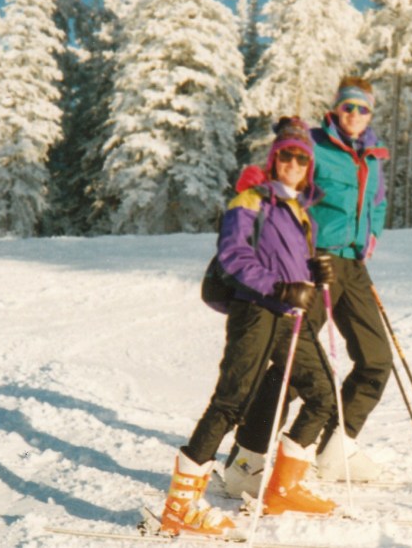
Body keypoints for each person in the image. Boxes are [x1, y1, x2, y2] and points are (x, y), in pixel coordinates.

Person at [160, 117, 339, 539]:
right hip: (256, 311)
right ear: (274, 159)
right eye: (286, 156)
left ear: (309, 167)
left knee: (323, 393)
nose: (293, 163)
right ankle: (180, 505)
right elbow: (233, 255)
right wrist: (279, 286)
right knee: (231, 402)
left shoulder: (300, 212)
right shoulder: (251, 201)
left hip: (289, 317)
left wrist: (314, 271)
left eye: (301, 158)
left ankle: (283, 488)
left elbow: (291, 264)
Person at [223, 76, 392, 497]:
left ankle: (337, 447)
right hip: (314, 263)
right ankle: (248, 457)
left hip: (353, 266)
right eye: (348, 106)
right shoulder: (315, 144)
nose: (354, 115)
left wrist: (373, 235)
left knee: (376, 359)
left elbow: (378, 202)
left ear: (371, 113)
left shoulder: (371, 156)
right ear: (336, 109)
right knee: (293, 368)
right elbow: (284, 178)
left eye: (363, 108)